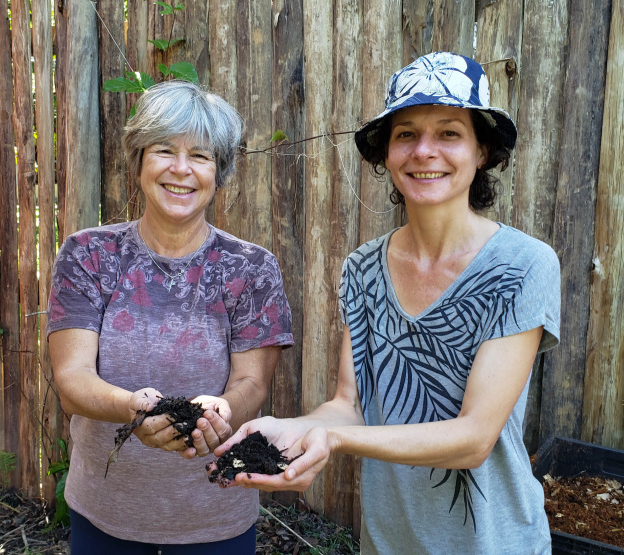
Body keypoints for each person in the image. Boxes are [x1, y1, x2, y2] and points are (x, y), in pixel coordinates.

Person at [213, 52, 561, 554]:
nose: (424, 151)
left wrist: (335, 441)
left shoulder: (523, 265)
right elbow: (349, 407)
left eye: (448, 133)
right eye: (405, 134)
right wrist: (291, 429)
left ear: (482, 151)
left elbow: (474, 437)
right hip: (389, 542)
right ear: (386, 154)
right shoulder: (362, 269)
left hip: (494, 542)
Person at [47, 80, 294, 554]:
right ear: (138, 160)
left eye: (200, 156)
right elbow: (71, 378)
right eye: (164, 150)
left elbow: (252, 384)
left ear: (219, 172)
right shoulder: (89, 254)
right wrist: (131, 409)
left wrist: (220, 412)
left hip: (215, 515)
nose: (181, 170)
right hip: (105, 512)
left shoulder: (250, 268)